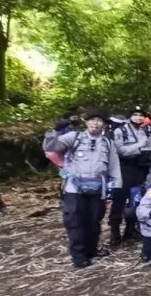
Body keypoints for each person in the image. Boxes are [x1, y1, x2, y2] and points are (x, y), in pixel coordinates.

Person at [42, 109, 121, 268]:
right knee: (75, 221)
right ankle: (78, 255)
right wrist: (55, 131)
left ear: (104, 125)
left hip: (98, 187)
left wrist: (116, 186)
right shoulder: (74, 137)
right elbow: (51, 146)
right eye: (92, 120)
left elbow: (114, 165)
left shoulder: (108, 142)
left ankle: (91, 249)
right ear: (86, 122)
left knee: (94, 221)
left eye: (99, 121)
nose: (95, 123)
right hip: (74, 188)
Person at [108, 106, 151, 247]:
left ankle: (130, 229)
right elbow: (120, 150)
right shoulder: (120, 130)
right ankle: (114, 231)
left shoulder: (143, 131)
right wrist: (139, 145)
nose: (138, 117)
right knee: (119, 199)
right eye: (135, 115)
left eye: (141, 115)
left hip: (139, 168)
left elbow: (148, 149)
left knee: (137, 199)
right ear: (130, 117)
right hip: (124, 168)